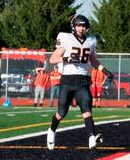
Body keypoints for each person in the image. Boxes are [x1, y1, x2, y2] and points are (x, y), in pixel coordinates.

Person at [46, 15, 113, 150]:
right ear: (74, 26)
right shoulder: (66, 39)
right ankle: (51, 131)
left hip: (83, 80)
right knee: (62, 112)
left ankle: (91, 138)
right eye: (79, 25)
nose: (81, 28)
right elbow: (52, 59)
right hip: (68, 79)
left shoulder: (91, 40)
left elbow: (93, 60)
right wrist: (67, 59)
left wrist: (105, 71)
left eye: (83, 26)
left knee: (87, 111)